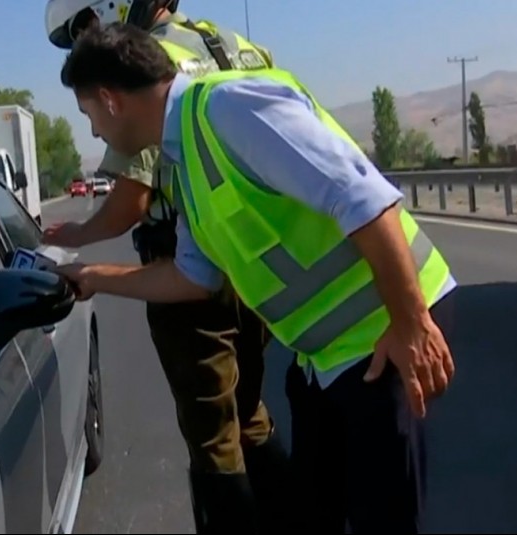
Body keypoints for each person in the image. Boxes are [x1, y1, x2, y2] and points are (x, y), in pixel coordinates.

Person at [54, 23, 457, 534]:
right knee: (314, 512)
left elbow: (365, 199)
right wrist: (93, 276)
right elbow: (192, 277)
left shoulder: (227, 109)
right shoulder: (184, 159)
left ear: (110, 100)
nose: (94, 133)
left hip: (385, 333)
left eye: (88, 115)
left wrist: (410, 321)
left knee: (385, 518)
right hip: (328, 358)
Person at [44, 1, 289, 533]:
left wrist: (74, 236)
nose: (91, 43)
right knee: (250, 413)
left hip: (189, 264)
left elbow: (130, 203)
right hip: (259, 263)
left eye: (85, 29)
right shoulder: (226, 42)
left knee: (214, 440)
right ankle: (295, 518)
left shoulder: (146, 68)